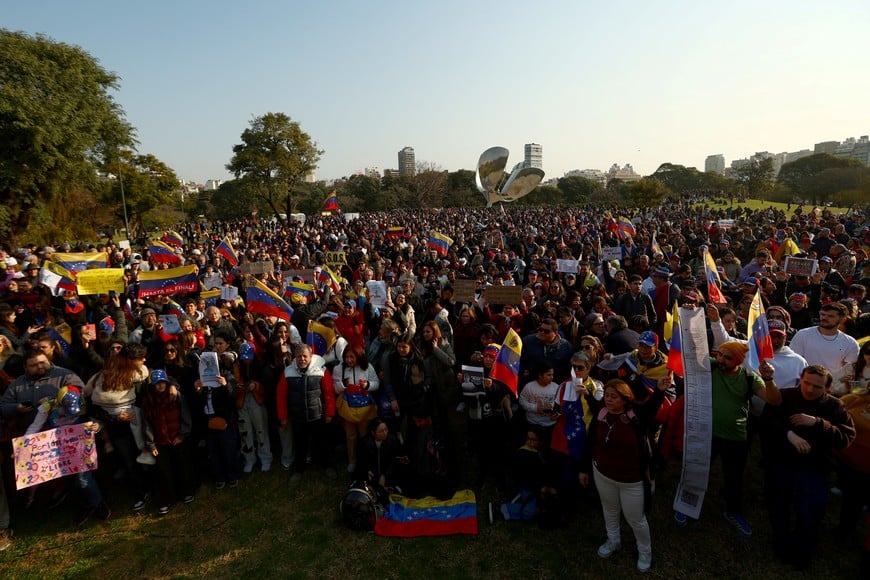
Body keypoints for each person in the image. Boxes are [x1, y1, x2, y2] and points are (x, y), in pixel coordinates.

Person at [762, 365, 855, 569]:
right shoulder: (786, 396)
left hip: (815, 468)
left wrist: (818, 423)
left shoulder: (835, 407)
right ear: (800, 380)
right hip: (783, 463)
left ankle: (802, 552)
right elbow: (767, 423)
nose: (810, 389)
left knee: (809, 512)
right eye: (806, 383)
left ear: (828, 388)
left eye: (817, 387)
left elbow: (846, 438)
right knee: (779, 505)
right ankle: (781, 543)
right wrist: (789, 434)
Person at [578, 378, 671, 573]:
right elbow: (590, 442)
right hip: (603, 475)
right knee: (609, 510)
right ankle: (613, 541)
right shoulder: (601, 413)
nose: (609, 400)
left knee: (636, 518)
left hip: (631, 480)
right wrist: (584, 469)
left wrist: (661, 391)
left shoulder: (636, 417)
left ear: (625, 399)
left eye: (614, 397)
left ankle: (645, 551)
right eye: (607, 396)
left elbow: (651, 408)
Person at [25, 384, 111, 526]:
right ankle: (85, 505)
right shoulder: (48, 407)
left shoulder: (85, 403)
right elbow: (35, 426)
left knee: (83, 478)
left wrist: (97, 427)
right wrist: (25, 445)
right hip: (59, 450)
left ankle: (97, 503)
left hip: (81, 448)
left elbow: (97, 421)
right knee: (72, 480)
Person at [276, 344, 336, 484]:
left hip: (318, 415)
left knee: (322, 443)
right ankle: (299, 469)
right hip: (298, 417)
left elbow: (329, 394)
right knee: (300, 444)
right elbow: (281, 396)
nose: (302, 359)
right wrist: (283, 417)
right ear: (295, 357)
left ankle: (327, 466)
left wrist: (330, 413)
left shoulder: (321, 371)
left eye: (305, 356)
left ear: (310, 357)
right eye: (299, 356)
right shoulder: (288, 372)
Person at [140, 369, 195, 515]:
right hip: (160, 440)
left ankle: (186, 492)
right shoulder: (149, 401)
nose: (159, 386)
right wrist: (151, 443)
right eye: (156, 383)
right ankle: (167, 499)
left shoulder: (176, 396)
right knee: (163, 471)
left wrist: (182, 435)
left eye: (162, 382)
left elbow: (185, 416)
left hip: (177, 436)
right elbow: (147, 424)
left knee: (182, 465)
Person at [789, 302, 860, 395]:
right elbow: (793, 363)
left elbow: (850, 372)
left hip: (832, 392)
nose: (824, 318)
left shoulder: (851, 343)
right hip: (803, 388)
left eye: (830, 316)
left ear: (843, 319)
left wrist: (837, 385)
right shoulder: (803, 335)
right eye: (822, 314)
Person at [333, 346, 379, 473]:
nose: (349, 360)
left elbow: (376, 383)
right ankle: (352, 461)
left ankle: (364, 459)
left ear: (358, 357)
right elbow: (335, 388)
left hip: (364, 408)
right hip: (348, 408)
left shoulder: (367, 367)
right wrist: (343, 384)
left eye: (352, 357)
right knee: (350, 436)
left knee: (364, 435)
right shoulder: (339, 369)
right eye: (346, 357)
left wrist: (367, 385)